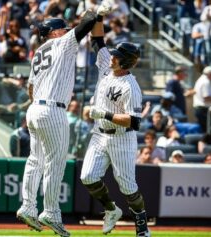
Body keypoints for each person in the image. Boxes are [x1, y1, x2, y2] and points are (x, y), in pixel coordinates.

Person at [16, 3, 112, 237]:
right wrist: (98, 11)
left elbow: (30, 88)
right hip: (52, 110)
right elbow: (86, 24)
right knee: (55, 163)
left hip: (35, 108)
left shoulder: (38, 53)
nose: (67, 30)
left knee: (34, 160)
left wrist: (37, 107)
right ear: (54, 32)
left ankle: (27, 206)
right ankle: (50, 211)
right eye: (63, 28)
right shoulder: (60, 42)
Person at [80, 18, 151, 237]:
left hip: (122, 138)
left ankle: (142, 227)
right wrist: (99, 18)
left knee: (128, 187)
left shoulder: (131, 86)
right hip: (99, 135)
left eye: (117, 56)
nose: (112, 57)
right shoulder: (106, 66)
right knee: (88, 176)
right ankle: (111, 209)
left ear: (126, 62)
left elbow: (135, 121)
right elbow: (98, 41)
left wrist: (104, 114)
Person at [193, 66, 211, 132]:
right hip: (203, 110)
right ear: (209, 74)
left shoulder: (200, 80)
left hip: (200, 109)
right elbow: (206, 97)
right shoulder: (206, 82)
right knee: (209, 129)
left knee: (204, 129)